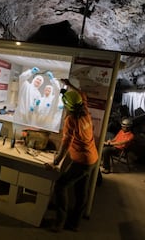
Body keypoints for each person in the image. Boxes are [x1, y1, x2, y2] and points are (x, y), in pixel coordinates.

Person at [45, 79, 99, 232]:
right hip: (92, 159)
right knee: (81, 192)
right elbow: (82, 95)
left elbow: (66, 144)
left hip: (81, 161)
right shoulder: (85, 110)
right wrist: (69, 84)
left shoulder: (71, 120)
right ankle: (74, 224)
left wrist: (55, 162)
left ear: (67, 107)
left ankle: (59, 223)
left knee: (61, 186)